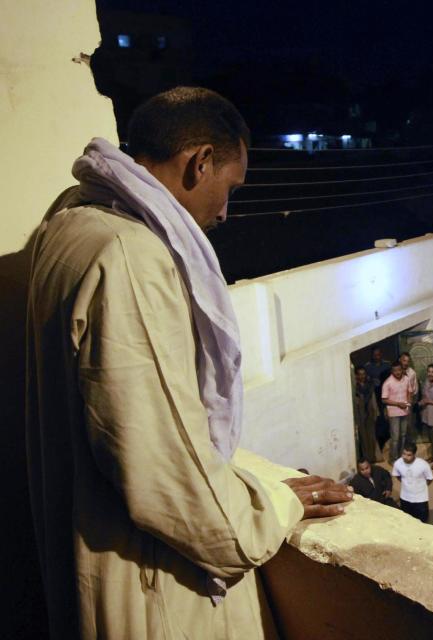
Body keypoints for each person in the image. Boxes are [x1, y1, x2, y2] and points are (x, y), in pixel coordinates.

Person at [25, 87, 355, 638]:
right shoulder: (129, 258)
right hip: (148, 589)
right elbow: (166, 473)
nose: (225, 211)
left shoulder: (69, 225)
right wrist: (269, 505)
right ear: (200, 162)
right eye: (229, 188)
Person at [392, 442, 433, 523]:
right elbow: (397, 475)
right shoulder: (398, 463)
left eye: (409, 455)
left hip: (420, 499)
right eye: (404, 454)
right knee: (407, 520)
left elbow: (430, 478)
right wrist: (406, 484)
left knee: (423, 522)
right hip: (405, 498)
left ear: (414, 454)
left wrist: (420, 487)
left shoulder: (423, 465)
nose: (405, 457)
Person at [382, 361, 413, 461]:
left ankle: (401, 456)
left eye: (399, 370)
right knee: (395, 437)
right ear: (392, 371)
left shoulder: (407, 379)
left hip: (405, 412)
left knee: (403, 435)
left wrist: (408, 404)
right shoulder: (387, 383)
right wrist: (398, 404)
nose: (398, 372)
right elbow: (384, 399)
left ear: (402, 369)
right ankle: (393, 459)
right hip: (394, 413)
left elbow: (409, 392)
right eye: (395, 370)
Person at [354, 367, 382, 463]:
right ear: (357, 375)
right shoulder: (355, 387)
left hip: (370, 414)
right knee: (363, 438)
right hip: (360, 415)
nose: (362, 376)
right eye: (360, 374)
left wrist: (376, 413)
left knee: (371, 437)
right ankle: (366, 459)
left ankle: (372, 457)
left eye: (363, 374)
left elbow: (373, 400)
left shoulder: (369, 386)